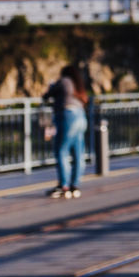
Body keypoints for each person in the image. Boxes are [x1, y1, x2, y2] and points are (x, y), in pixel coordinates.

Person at [42, 64, 89, 198]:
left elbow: (48, 95)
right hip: (81, 117)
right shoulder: (78, 85)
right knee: (78, 153)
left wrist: (50, 87)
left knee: (62, 151)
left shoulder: (64, 81)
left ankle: (64, 186)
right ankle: (74, 185)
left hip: (68, 116)